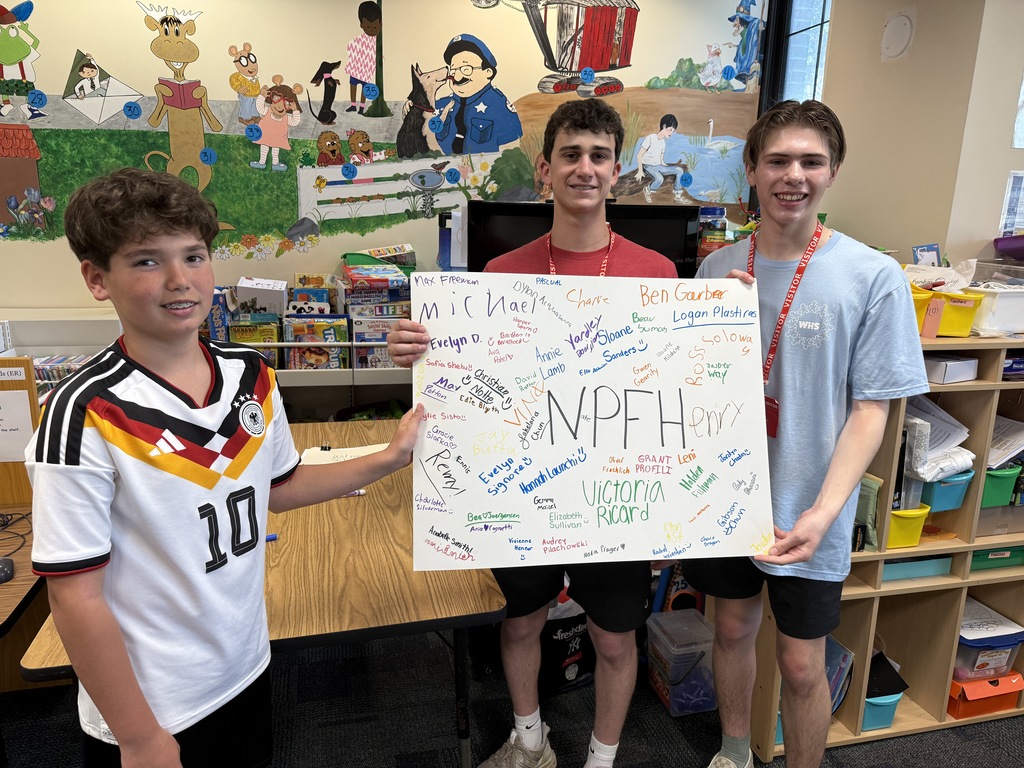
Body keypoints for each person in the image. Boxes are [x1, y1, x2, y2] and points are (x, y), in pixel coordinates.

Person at [25, 167, 423, 768]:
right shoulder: (82, 414)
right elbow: (76, 597)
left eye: (194, 255)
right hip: (152, 705)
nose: (180, 280)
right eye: (146, 261)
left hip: (244, 665)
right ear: (96, 278)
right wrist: (137, 736)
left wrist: (389, 459)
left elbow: (279, 487)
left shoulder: (251, 373)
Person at [388, 99, 676, 768]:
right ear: (545, 170)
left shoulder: (657, 274)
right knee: (519, 621)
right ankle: (530, 740)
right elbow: (474, 387)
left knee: (613, 638)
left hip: (614, 495)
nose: (584, 168)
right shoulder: (499, 275)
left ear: (616, 170)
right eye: (571, 155)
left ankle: (603, 758)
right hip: (523, 491)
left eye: (599, 156)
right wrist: (422, 350)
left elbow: (669, 391)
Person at [677, 99, 929, 768]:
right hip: (727, 496)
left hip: (810, 504)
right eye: (778, 160)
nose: (794, 175)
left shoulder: (872, 276)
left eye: (811, 161)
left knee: (799, 663)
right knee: (730, 629)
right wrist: (712, 329)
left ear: (833, 171)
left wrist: (824, 512)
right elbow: (688, 390)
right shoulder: (714, 269)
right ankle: (733, 752)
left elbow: (872, 410)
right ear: (753, 172)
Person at [433, 33, 523, 155]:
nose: (457, 76)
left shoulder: (499, 106)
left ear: (488, 72)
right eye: (453, 70)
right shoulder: (441, 105)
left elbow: (511, 153)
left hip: (484, 172)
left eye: (466, 69)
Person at [634, 113, 688, 203]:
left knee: (679, 170)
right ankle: (648, 190)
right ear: (664, 126)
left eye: (673, 131)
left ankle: (678, 196)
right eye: (670, 130)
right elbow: (639, 155)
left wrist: (668, 168)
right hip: (648, 166)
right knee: (659, 179)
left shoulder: (663, 143)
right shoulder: (651, 138)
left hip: (658, 165)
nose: (671, 133)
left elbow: (661, 160)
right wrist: (640, 171)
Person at [344, 1, 382, 114]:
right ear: (361, 25)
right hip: (355, 68)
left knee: (365, 89)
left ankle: (361, 107)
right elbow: (351, 48)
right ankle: (353, 105)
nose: (371, 29)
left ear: (380, 25)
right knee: (353, 85)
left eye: (375, 27)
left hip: (366, 70)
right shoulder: (358, 40)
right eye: (368, 26)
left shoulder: (376, 42)